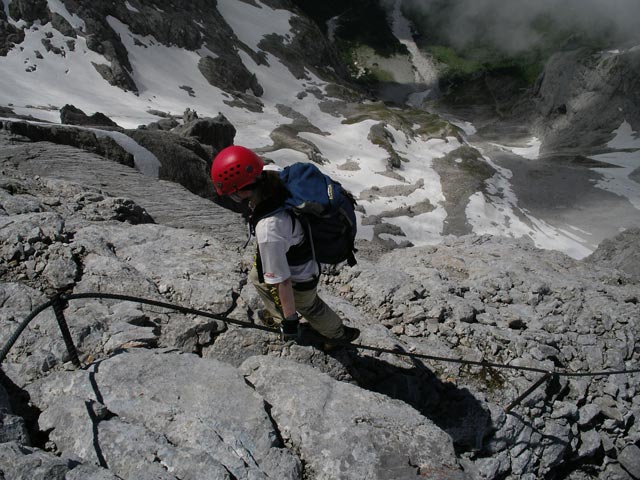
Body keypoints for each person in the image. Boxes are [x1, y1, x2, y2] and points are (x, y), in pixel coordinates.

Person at [211, 145, 360, 349]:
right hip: (304, 257)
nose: (236, 200)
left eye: (234, 195)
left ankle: (338, 334)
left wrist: (290, 321)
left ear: (243, 190)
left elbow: (283, 282)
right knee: (257, 277)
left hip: (300, 276)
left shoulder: (269, 228)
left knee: (309, 306)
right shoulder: (271, 174)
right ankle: (279, 314)